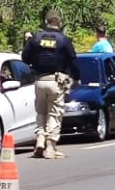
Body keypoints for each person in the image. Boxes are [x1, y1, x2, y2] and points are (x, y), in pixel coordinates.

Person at [20, 8, 80, 160]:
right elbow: (73, 61)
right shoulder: (64, 40)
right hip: (56, 81)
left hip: (39, 81)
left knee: (41, 113)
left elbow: (25, 58)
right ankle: (50, 147)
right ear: (59, 24)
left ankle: (40, 139)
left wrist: (27, 42)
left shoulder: (35, 38)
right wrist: (77, 78)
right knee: (55, 113)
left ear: (46, 22)